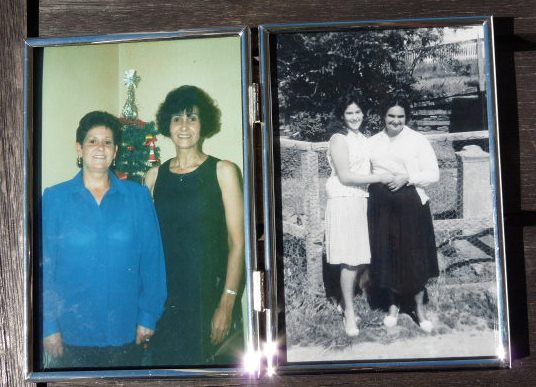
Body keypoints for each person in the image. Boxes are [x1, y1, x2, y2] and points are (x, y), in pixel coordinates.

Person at [42, 111, 167, 368]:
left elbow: (153, 262)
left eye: (107, 142)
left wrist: (147, 316)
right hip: (71, 335)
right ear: (79, 148)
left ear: (116, 150)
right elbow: (43, 269)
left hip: (126, 331)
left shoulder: (138, 197)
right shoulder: (55, 198)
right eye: (92, 141)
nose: (100, 148)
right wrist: (48, 325)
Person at [145, 85, 244, 365]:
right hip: (165, 302)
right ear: (168, 124)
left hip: (208, 297)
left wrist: (227, 303)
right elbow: (149, 249)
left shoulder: (223, 170)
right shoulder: (153, 177)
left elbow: (238, 244)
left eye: (192, 118)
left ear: (204, 124)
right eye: (177, 118)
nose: (184, 126)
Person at [367, 99, 440, 333]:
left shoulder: (417, 140)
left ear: (406, 118)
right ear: (383, 117)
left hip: (410, 207)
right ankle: (393, 305)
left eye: (400, 116)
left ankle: (419, 310)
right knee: (388, 255)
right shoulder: (372, 142)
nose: (396, 121)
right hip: (382, 208)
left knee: (414, 256)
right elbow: (363, 172)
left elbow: (433, 174)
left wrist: (406, 177)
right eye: (391, 116)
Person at [323, 95, 392, 337]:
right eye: (349, 113)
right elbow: (346, 176)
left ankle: (343, 300)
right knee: (351, 259)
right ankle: (349, 313)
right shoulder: (338, 139)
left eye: (358, 112)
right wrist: (379, 178)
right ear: (341, 115)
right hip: (344, 199)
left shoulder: (362, 138)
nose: (354, 117)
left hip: (362, 200)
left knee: (361, 256)